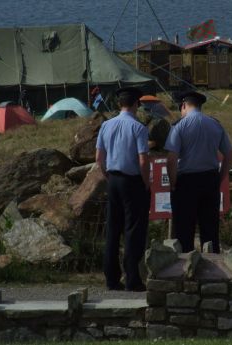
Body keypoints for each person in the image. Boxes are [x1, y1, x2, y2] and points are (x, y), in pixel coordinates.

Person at [95, 86, 151, 291]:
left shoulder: (106, 126)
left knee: (113, 229)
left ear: (119, 104)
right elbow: (143, 161)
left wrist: (108, 176)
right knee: (133, 230)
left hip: (113, 180)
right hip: (132, 180)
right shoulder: (139, 128)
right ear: (137, 103)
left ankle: (111, 278)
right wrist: (146, 183)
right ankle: (132, 278)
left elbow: (98, 159)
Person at [164, 91, 232, 253]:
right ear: (200, 106)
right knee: (210, 231)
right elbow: (229, 155)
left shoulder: (179, 126)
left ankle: (186, 269)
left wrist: (173, 183)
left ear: (183, 106)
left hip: (186, 183)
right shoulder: (215, 124)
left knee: (184, 230)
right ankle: (213, 271)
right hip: (210, 180)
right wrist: (219, 178)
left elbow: (171, 159)